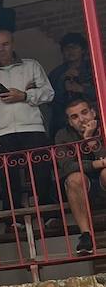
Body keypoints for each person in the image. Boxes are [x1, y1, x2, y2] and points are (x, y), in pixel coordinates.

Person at [0, 30, 54, 212]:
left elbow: (49, 93)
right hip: (3, 132)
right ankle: (13, 219)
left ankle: (50, 214)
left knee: (41, 170)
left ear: (13, 44)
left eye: (5, 44)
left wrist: (25, 95)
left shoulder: (31, 65)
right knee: (7, 176)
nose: (1, 49)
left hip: (33, 126)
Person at [53, 96, 105, 253]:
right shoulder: (62, 135)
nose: (81, 119)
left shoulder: (104, 127)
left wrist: (90, 140)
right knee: (74, 178)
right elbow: (67, 167)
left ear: (93, 112)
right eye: (74, 117)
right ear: (69, 121)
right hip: (80, 187)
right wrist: (98, 164)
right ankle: (86, 235)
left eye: (84, 113)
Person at [50, 33, 96, 135]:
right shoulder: (56, 74)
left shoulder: (94, 68)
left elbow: (102, 93)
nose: (70, 51)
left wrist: (81, 89)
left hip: (95, 118)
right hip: (65, 123)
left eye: (74, 47)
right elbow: (50, 100)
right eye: (66, 49)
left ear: (83, 50)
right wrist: (62, 81)